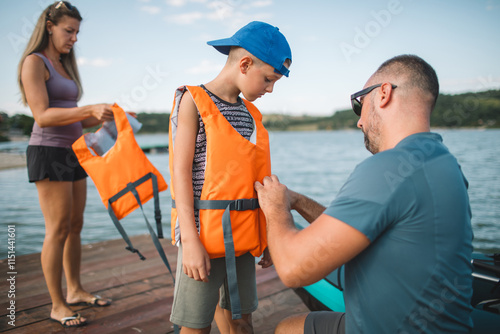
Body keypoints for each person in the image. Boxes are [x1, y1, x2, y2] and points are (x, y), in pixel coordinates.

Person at [254, 55, 474, 333]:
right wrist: (296, 201)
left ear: (383, 93)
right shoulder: (444, 162)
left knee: (283, 329)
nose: (359, 122)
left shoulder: (389, 167)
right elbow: (354, 228)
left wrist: (275, 208)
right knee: (290, 327)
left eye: (359, 102)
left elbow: (292, 269)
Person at [168, 21, 292, 333]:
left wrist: (268, 237)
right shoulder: (192, 101)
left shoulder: (250, 113)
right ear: (245, 64)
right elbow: (180, 174)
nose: (270, 88)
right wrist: (191, 240)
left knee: (241, 318)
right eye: (268, 79)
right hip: (203, 236)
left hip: (242, 235)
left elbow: (253, 179)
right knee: (195, 325)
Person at [17, 1, 113, 328]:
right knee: (57, 229)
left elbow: (71, 117)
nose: (73, 38)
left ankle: (74, 290)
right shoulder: (35, 62)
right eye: (68, 30)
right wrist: (88, 109)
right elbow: (43, 116)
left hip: (74, 151)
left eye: (76, 32)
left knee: (75, 225)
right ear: (49, 26)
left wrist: (109, 121)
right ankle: (57, 305)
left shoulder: (64, 64)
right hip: (48, 153)